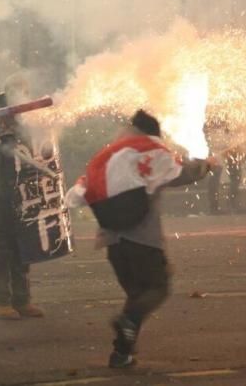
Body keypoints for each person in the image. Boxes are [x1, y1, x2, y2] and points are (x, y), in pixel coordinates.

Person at [66, 110, 213, 368]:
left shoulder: (107, 158)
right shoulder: (151, 150)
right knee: (157, 288)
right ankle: (128, 325)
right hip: (144, 241)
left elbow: (77, 195)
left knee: (136, 298)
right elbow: (181, 174)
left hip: (113, 245)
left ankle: (121, 354)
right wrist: (205, 166)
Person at [0, 74, 44, 320]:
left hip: (18, 191)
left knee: (20, 243)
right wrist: (8, 137)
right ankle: (1, 301)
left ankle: (22, 299)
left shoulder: (24, 116)